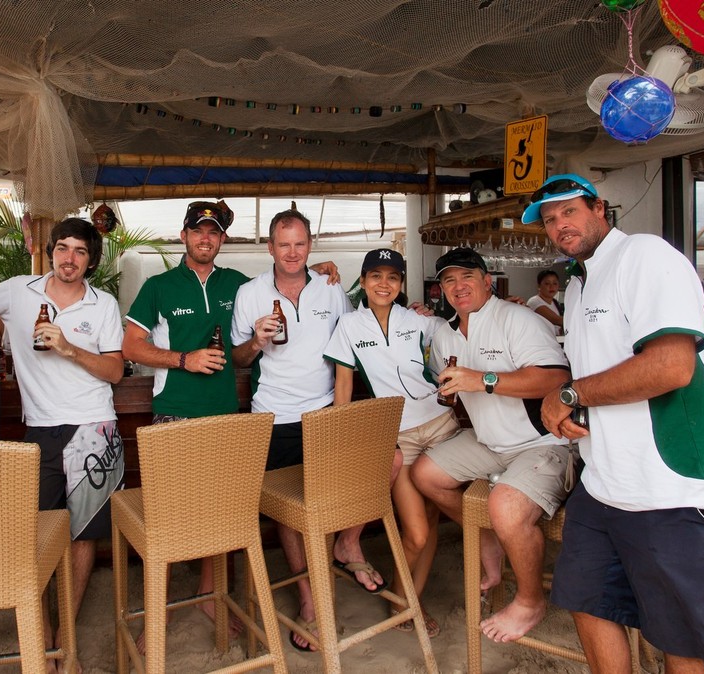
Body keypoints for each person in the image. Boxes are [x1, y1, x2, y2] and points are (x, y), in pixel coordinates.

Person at [530, 173, 704, 674]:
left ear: (600, 208)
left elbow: (670, 366)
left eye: (569, 211)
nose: (559, 225)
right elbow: (605, 369)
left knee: (682, 640)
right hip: (606, 478)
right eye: (549, 220)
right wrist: (578, 410)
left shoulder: (645, 255)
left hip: (669, 486)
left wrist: (569, 394)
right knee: (587, 599)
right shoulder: (576, 283)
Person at [122, 200, 339, 653]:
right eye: (198, 231)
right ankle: (155, 617)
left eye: (214, 232)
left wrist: (318, 267)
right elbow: (130, 347)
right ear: (184, 236)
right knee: (169, 517)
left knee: (222, 512)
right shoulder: (158, 285)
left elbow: (285, 277)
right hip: (173, 411)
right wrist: (185, 359)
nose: (206, 238)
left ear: (222, 240)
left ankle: (207, 596)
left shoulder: (238, 286)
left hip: (226, 413)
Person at [231, 209, 377, 652]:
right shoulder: (249, 293)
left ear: (310, 245)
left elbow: (353, 336)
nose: (292, 253)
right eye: (283, 244)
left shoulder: (330, 287)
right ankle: (311, 600)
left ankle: (327, 572)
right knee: (287, 513)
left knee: (325, 502)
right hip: (273, 415)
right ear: (270, 247)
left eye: (300, 244)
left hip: (324, 412)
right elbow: (238, 359)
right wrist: (256, 340)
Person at [410, 246, 573, 644]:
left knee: (505, 506)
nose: (458, 286)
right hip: (489, 443)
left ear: (487, 281)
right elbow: (446, 381)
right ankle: (485, 535)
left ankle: (530, 600)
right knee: (424, 475)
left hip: (541, 442)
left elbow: (555, 378)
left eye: (467, 277)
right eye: (449, 280)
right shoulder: (446, 332)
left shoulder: (516, 318)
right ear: (440, 290)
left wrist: (482, 379)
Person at [0, 217, 125, 673]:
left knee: (84, 534)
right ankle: (42, 634)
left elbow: (115, 372)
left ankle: (67, 634)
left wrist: (69, 348)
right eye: (62, 248)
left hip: (94, 428)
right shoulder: (15, 291)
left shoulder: (102, 303)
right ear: (50, 250)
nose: (69, 258)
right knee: (39, 535)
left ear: (91, 260)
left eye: (80, 252)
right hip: (41, 429)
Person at [323, 248, 460, 639]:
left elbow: (462, 328)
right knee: (415, 530)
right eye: (376, 276)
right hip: (396, 436)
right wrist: (340, 440)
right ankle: (402, 601)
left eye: (393, 278)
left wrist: (504, 306)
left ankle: (408, 602)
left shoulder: (419, 320)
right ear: (363, 281)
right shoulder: (349, 326)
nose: (384, 284)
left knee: (432, 520)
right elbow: (344, 386)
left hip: (440, 425)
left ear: (401, 285)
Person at [526, 269, 562, 336]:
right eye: (547, 283)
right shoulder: (534, 302)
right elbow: (557, 320)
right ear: (539, 286)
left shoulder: (555, 302)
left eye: (555, 283)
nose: (552, 287)